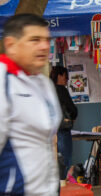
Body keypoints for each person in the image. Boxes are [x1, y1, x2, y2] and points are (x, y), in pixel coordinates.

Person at [0, 14, 62, 196]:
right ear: (11, 45)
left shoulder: (44, 84)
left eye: (46, 40)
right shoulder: (3, 81)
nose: (44, 46)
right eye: (34, 40)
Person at [50, 66, 78, 180]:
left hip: (51, 131)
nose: (67, 80)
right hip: (62, 129)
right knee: (65, 161)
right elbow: (72, 109)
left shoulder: (48, 89)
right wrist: (73, 117)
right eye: (66, 77)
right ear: (60, 75)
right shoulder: (61, 89)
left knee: (55, 162)